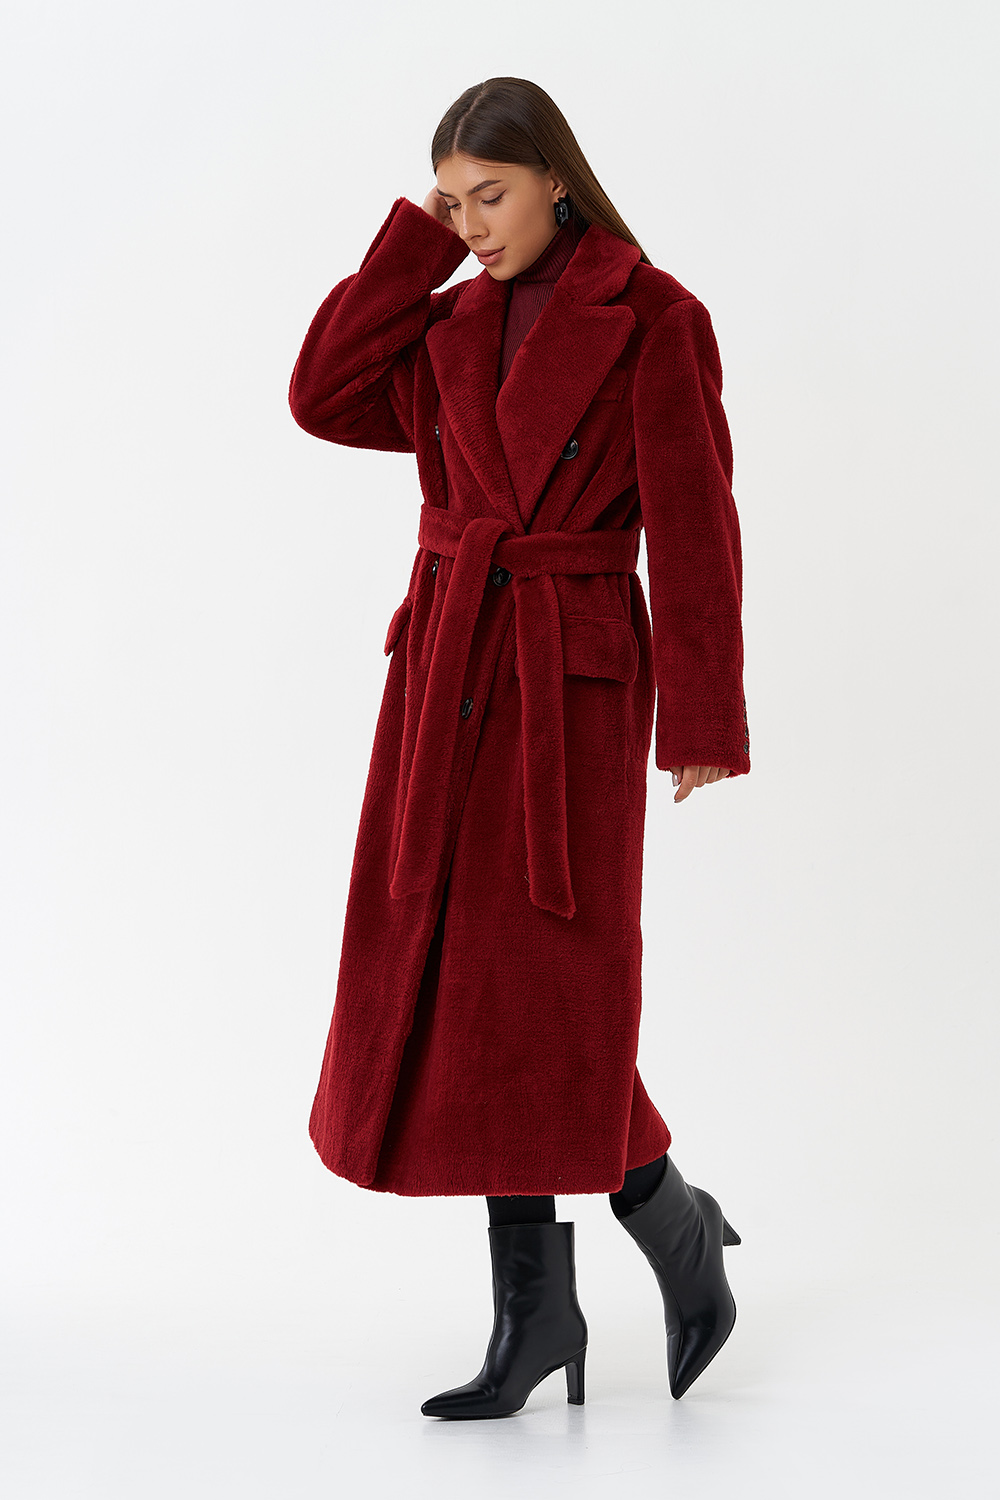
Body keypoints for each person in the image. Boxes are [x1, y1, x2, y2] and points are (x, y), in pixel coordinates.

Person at [288, 76, 750, 1419]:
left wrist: (703, 719)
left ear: (556, 177)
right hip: (446, 673)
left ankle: (664, 1239)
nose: (473, 225)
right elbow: (321, 394)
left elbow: (697, 526)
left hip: (569, 684)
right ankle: (552, 1305)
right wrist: (412, 250)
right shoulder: (446, 325)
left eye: (489, 195)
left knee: (551, 987)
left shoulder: (656, 320)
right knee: (471, 989)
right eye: (451, 203)